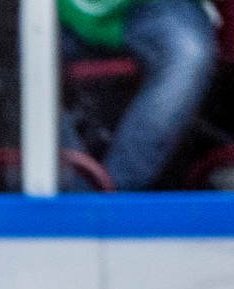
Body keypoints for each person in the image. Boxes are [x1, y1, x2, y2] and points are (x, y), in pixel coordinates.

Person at [60, 0, 216, 191]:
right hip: (55, 11)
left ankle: (110, 198)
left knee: (189, 51)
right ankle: (79, 192)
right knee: (22, 50)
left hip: (155, 7)